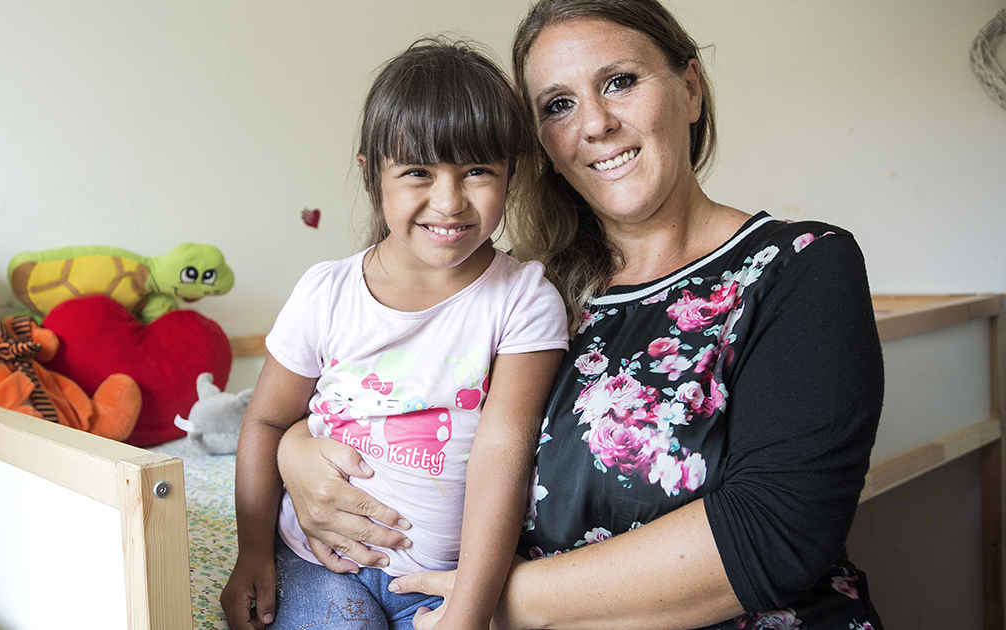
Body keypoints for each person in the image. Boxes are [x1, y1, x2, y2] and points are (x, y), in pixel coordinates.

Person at [275, 1, 886, 629]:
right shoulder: (529, 295)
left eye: (620, 81)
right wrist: (295, 451)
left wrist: (486, 603)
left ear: (691, 88)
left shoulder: (801, 267)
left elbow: (773, 534)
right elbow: (381, 396)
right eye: (558, 105)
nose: (595, 123)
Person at [221, 38, 569, 630]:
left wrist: (469, 608)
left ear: (512, 172)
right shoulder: (326, 292)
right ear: (372, 172)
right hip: (317, 561)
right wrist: (252, 552)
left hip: (443, 580)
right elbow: (266, 421)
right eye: (417, 172)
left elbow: (504, 451)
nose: (450, 201)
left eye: (478, 171)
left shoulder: (524, 300)